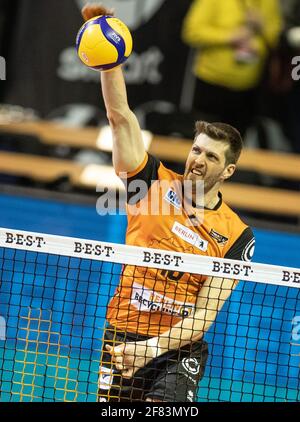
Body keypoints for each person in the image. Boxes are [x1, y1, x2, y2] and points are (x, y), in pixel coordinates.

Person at [81, 4, 255, 403]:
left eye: (212, 157)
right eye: (197, 150)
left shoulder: (237, 235)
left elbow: (203, 318)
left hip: (178, 348)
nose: (198, 160)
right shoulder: (150, 183)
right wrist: (109, 59)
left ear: (227, 172)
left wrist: (152, 349)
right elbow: (120, 117)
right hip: (123, 332)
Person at [181, 0, 283, 136]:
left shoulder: (269, 3)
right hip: (211, 83)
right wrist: (229, 37)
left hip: (247, 88)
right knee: (203, 139)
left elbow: (274, 37)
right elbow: (191, 31)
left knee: (236, 141)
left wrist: (258, 40)